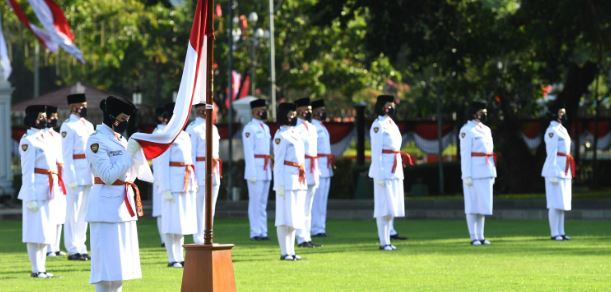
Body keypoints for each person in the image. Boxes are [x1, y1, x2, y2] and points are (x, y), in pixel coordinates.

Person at [86, 96, 143, 291]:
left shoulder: (122, 140)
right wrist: (129, 154)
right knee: (104, 270)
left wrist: (136, 154)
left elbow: (130, 174)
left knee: (120, 268)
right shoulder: (96, 140)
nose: (125, 122)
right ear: (111, 117)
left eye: (127, 118)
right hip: (104, 208)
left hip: (122, 206)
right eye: (122, 118)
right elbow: (108, 175)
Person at [18, 105, 60, 278]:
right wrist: (30, 196)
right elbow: (27, 171)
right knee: (34, 231)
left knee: (46, 231)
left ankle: (42, 268)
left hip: (47, 189)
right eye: (41, 116)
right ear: (34, 118)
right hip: (34, 191)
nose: (45, 119)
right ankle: (36, 269)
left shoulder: (45, 137)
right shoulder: (28, 140)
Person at [156, 103, 197, 268]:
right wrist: (164, 187)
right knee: (170, 222)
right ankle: (172, 257)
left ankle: (179, 256)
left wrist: (193, 183)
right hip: (171, 184)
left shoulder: (185, 136)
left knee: (181, 223)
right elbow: (161, 164)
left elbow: (190, 160)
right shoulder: (166, 135)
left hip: (184, 183)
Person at [369, 95, 412, 251]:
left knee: (391, 207)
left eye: (392, 105)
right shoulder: (378, 125)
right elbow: (376, 151)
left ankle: (388, 239)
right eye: (387, 105)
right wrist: (378, 173)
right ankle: (383, 241)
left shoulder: (391, 123)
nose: (389, 108)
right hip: (384, 170)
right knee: (383, 207)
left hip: (395, 168)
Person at [60, 93, 94, 261]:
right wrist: (71, 178)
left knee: (84, 214)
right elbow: (67, 155)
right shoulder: (68, 126)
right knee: (72, 213)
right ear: (74, 107)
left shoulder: (88, 125)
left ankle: (81, 246)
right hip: (76, 174)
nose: (84, 108)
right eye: (82, 105)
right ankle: (72, 249)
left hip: (88, 173)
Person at [273, 103, 307, 260]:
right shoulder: (281, 136)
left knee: (294, 216)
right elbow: (278, 162)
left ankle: (291, 251)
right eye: (289, 114)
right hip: (286, 180)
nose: (292, 117)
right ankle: (284, 252)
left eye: (293, 114)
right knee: (283, 216)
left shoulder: (295, 133)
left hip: (298, 178)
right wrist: (278, 183)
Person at [459, 100, 496, 246]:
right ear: (474, 112)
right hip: (473, 171)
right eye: (482, 111)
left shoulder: (486, 129)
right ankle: (473, 236)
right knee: (472, 205)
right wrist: (466, 174)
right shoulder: (467, 129)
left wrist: (493, 172)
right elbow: (465, 154)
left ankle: (481, 235)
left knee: (483, 205)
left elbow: (490, 152)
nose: (484, 114)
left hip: (486, 170)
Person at [186, 103, 221, 244]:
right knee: (200, 205)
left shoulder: (213, 128)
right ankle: (199, 236)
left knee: (211, 205)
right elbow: (191, 154)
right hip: (200, 168)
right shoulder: (193, 129)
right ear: (200, 110)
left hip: (214, 168)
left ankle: (208, 233)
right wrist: (193, 176)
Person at [242, 98, 272, 240]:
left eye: (265, 109)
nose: (264, 112)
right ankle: (255, 231)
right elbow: (248, 152)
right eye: (261, 109)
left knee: (262, 203)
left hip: (266, 168)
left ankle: (263, 230)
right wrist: (251, 172)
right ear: (253, 111)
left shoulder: (265, 128)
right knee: (255, 202)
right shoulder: (249, 129)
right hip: (256, 168)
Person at [542, 105, 573, 241]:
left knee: (562, 202)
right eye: (560, 112)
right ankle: (554, 232)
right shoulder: (552, 131)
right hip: (555, 168)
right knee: (554, 203)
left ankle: (561, 231)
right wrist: (553, 171)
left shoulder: (562, 129)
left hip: (564, 167)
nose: (562, 115)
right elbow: (551, 153)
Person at [293, 97, 321, 248]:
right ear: (298, 111)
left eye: (310, 110)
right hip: (303, 167)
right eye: (306, 109)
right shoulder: (296, 128)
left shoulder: (312, 127)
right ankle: (300, 237)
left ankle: (307, 235)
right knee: (301, 204)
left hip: (313, 167)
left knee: (308, 206)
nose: (308, 112)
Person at [45, 106, 68, 257]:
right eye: (51, 116)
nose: (54, 119)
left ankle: (56, 247)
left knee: (60, 214)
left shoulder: (58, 136)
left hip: (60, 178)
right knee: (49, 214)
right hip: (48, 178)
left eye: (55, 116)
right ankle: (48, 248)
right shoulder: (41, 136)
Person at [310, 99, 333, 238]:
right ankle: (314, 227)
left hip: (325, 165)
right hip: (317, 165)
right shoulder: (312, 127)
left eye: (323, 111)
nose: (322, 113)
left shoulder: (322, 127)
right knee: (316, 199)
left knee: (323, 200)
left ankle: (320, 227)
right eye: (320, 111)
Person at [151, 106, 167, 247]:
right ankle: (163, 237)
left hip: (170, 175)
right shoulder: (158, 132)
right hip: (160, 175)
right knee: (161, 209)